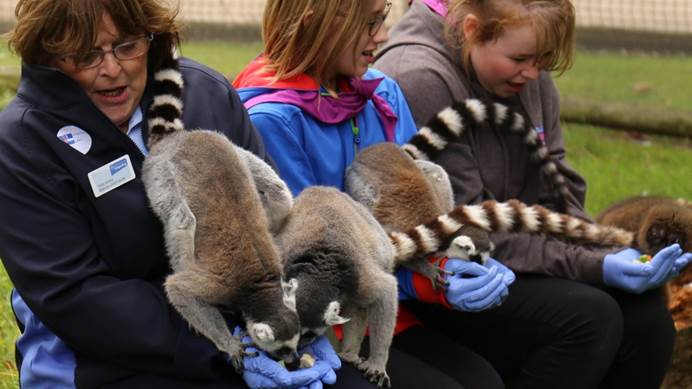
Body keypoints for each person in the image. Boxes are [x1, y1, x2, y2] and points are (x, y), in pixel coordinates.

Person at [0, 1, 341, 388]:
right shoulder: (23, 144)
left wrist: (292, 317)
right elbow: (75, 296)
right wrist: (221, 348)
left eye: (127, 46)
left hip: (235, 324)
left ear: (150, 37)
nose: (111, 68)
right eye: (85, 55)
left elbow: (271, 222)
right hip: (105, 357)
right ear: (49, 55)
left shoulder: (206, 95)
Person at [375, 1, 692, 388]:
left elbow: (558, 185)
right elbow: (471, 226)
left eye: (544, 59)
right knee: (588, 319)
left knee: (648, 321)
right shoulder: (420, 76)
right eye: (522, 58)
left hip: (520, 249)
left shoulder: (522, 65)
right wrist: (593, 266)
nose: (534, 73)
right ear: (473, 30)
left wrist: (601, 252)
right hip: (451, 272)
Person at [234, 1, 516, 388]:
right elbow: (304, 266)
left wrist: (449, 264)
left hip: (388, 308)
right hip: (324, 321)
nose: (382, 36)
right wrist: (422, 283)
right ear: (317, 25)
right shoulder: (272, 119)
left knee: (484, 380)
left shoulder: (382, 92)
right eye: (368, 25)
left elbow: (416, 212)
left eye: (382, 21)